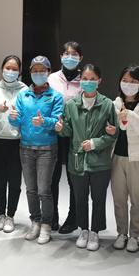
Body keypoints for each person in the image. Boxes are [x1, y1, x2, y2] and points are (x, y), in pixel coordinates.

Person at [59, 64, 117, 251]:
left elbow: (113, 134)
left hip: (100, 162)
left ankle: (95, 232)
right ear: (80, 81)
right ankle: (83, 230)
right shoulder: (71, 105)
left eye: (92, 79)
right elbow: (68, 130)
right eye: (85, 78)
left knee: (98, 198)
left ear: (99, 81)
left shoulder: (107, 105)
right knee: (80, 197)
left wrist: (95, 143)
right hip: (77, 161)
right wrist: (61, 128)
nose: (88, 82)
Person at [9, 56, 63, 244]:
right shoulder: (23, 95)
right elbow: (16, 120)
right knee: (31, 189)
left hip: (47, 149)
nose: (38, 74)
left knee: (44, 190)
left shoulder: (55, 96)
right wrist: (12, 117)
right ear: (30, 72)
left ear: (49, 72)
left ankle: (47, 225)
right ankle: (35, 222)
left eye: (42, 70)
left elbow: (57, 121)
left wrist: (44, 121)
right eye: (35, 70)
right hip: (25, 147)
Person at [107, 65, 139, 253]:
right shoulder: (115, 102)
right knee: (119, 198)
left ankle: (135, 235)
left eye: (134, 81)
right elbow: (116, 128)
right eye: (125, 80)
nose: (128, 84)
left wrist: (130, 114)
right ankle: (121, 233)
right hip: (117, 157)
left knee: (137, 199)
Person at [0, 55, 28, 233]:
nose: (10, 71)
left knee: (15, 181)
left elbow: (28, 117)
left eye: (14, 69)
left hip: (17, 142)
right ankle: (1, 214)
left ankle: (10, 215)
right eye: (7, 68)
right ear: (2, 69)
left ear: (20, 72)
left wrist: (20, 117)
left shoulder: (24, 90)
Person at [48, 41, 83, 233]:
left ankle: (73, 218)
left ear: (81, 58)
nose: (70, 57)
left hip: (75, 135)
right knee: (52, 176)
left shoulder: (85, 80)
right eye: (66, 54)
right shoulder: (52, 78)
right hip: (53, 133)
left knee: (73, 177)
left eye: (74, 54)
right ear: (61, 56)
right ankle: (52, 216)